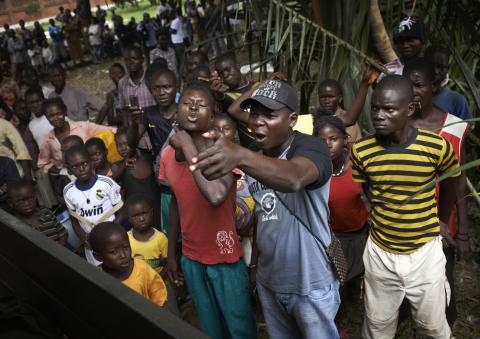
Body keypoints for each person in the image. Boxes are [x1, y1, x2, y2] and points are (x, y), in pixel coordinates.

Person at [191, 80, 339, 338]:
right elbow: (263, 215)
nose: (257, 121)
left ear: (292, 119)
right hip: (270, 281)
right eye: (254, 113)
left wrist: (240, 156)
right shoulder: (253, 154)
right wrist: (255, 267)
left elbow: (294, 178)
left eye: (269, 114)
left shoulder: (311, 147)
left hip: (309, 282)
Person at [350, 76, 459, 338]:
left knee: (432, 326)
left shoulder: (435, 146)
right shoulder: (362, 150)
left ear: (409, 109)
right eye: (375, 108)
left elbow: (452, 181)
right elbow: (367, 187)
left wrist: (442, 221)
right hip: (381, 253)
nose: (378, 115)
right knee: (378, 326)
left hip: (425, 253)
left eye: (389, 109)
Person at [161, 83, 256, 339]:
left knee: (239, 330)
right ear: (177, 111)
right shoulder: (168, 156)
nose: (193, 109)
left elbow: (215, 195)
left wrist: (189, 147)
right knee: (211, 329)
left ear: (212, 115)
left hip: (224, 258)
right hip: (191, 258)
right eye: (187, 103)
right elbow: (176, 202)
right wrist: (172, 253)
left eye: (201, 105)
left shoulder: (221, 150)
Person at [403, 58, 469, 327]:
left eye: (417, 85)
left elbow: (460, 177)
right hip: (403, 225)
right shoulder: (398, 123)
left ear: (434, 86)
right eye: (407, 85)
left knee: (442, 290)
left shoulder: (453, 126)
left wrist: (462, 230)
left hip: (441, 225)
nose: (412, 91)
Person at [314, 115, 369, 335]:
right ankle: (339, 321)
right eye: (321, 140)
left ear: (345, 139)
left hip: (360, 232)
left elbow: (371, 195)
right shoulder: (315, 170)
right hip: (333, 236)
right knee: (339, 283)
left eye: (333, 138)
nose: (327, 144)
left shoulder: (358, 164)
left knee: (358, 276)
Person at [63, 146, 123, 265]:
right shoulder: (68, 191)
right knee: (101, 275)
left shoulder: (106, 183)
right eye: (75, 166)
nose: (81, 168)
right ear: (69, 170)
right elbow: (75, 220)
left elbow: (122, 211)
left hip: (113, 237)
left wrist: (110, 232)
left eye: (84, 163)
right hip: (91, 245)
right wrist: (84, 239)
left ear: (91, 163)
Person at [89, 221, 167, 307]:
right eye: (114, 252)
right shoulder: (97, 277)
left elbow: (159, 297)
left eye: (126, 247)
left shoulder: (142, 269)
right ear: (98, 257)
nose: (123, 255)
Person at [37, 97, 115, 174]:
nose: (56, 118)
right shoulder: (48, 141)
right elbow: (42, 163)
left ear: (65, 112)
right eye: (51, 116)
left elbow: (111, 130)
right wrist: (61, 172)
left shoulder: (82, 127)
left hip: (94, 173)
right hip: (71, 179)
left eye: (59, 114)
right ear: (46, 117)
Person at [112, 128, 161, 227]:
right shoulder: (117, 166)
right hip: (136, 215)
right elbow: (114, 180)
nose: (123, 148)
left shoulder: (147, 159)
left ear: (134, 142)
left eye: (126, 143)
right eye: (119, 145)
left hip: (155, 209)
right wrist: (124, 166)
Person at [131, 68, 177, 157]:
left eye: (166, 87)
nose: (161, 93)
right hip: (161, 165)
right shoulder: (148, 114)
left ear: (176, 87)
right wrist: (134, 125)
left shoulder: (185, 111)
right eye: (156, 88)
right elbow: (132, 143)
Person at [8, 179, 67, 245]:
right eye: (21, 201)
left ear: (35, 197)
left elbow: (63, 233)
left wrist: (59, 250)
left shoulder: (46, 212)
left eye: (29, 198)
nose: (27, 204)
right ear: (11, 203)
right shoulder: (15, 226)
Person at [425, 46, 473, 121]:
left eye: (441, 67)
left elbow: (466, 130)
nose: (435, 71)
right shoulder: (411, 95)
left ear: (447, 69)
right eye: (430, 66)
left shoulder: (457, 101)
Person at [378, 14, 425, 81]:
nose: (405, 45)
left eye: (410, 40)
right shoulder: (388, 70)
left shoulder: (432, 69)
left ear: (422, 41)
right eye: (401, 41)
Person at [12, 99, 39, 170]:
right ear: (15, 112)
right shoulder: (14, 131)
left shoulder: (36, 125)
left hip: (43, 167)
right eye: (22, 109)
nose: (26, 111)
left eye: (27, 108)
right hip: (27, 171)